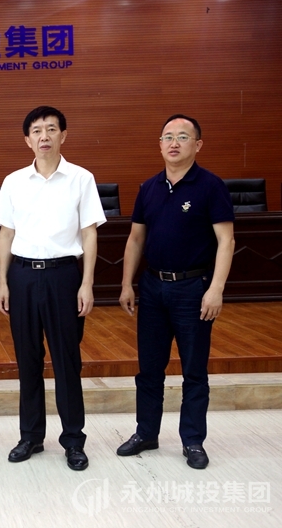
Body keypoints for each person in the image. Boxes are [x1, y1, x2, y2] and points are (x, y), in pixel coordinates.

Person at [117, 114, 235, 470]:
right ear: (160, 145)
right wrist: (126, 283)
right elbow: (136, 238)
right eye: (167, 136)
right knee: (149, 369)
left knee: (194, 371)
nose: (174, 143)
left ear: (197, 145)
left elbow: (226, 240)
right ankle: (146, 433)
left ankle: (193, 441)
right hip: (153, 288)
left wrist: (216, 289)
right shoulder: (149, 188)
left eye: (183, 137)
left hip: (193, 289)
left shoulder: (210, 186)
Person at [0, 106, 105, 471]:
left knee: (66, 361)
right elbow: (6, 234)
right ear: (27, 139)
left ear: (63, 135)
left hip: (63, 276)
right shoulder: (14, 181)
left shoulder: (81, 179)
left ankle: (73, 440)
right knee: (27, 360)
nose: (44, 136)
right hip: (22, 276)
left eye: (51, 129)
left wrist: (87, 283)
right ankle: (31, 436)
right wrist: (3, 281)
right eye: (37, 130)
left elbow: (89, 232)